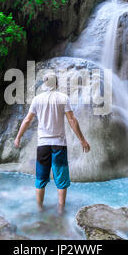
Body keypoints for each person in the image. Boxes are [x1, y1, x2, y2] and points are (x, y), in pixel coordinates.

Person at [14, 73, 90, 214]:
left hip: (43, 145)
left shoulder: (37, 99)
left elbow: (27, 120)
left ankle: (39, 209)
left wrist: (18, 137)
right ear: (56, 84)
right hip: (59, 144)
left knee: (41, 178)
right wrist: (82, 140)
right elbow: (72, 120)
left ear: (44, 85)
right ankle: (61, 211)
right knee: (61, 179)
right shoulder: (63, 98)